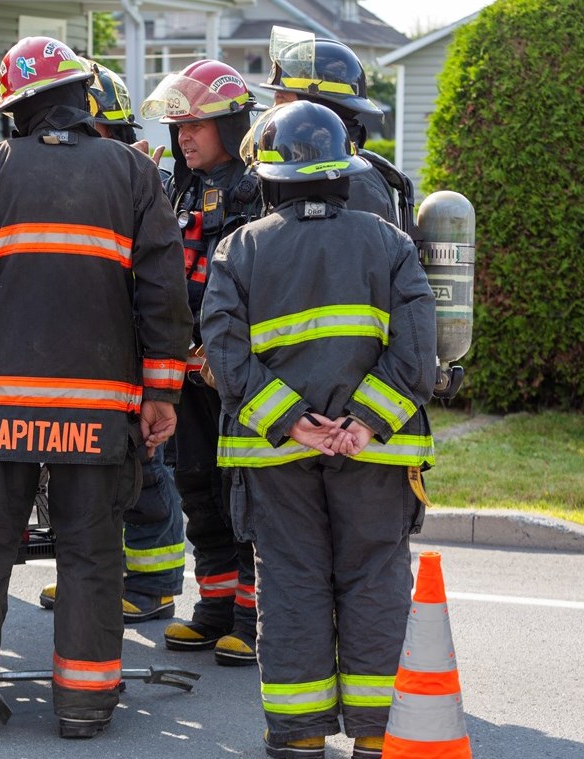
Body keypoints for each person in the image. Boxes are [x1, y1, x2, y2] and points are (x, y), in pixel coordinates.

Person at [0, 36, 191, 741]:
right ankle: (85, 704)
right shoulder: (133, 173)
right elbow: (162, 291)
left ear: (17, 108)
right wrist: (162, 392)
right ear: (82, 96)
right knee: (92, 554)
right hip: (98, 414)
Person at [201, 100, 437, 759]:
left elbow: (224, 350)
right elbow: (419, 351)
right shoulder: (390, 242)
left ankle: (300, 733)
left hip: (276, 457)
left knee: (291, 582)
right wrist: (363, 423)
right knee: (375, 580)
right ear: (343, 173)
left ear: (269, 179)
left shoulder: (238, 249)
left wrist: (291, 421)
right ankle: (376, 732)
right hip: (376, 454)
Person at [38, 59, 186, 624]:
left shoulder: (140, 184)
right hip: (80, 358)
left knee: (143, 473)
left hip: (128, 357)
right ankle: (91, 575)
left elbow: (158, 287)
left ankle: (153, 585)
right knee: (80, 478)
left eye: (90, 132)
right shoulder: (68, 184)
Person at [140, 58, 264, 666]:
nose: (185, 137)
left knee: (239, 488)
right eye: (180, 126)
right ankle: (214, 606)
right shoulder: (178, 186)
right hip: (185, 369)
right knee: (195, 483)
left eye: (198, 125)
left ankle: (252, 615)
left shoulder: (259, 186)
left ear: (232, 124)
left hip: (234, 370)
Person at [259, 27, 415, 235]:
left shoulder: (355, 182)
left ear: (318, 106)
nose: (274, 113)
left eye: (282, 100)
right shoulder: (311, 171)